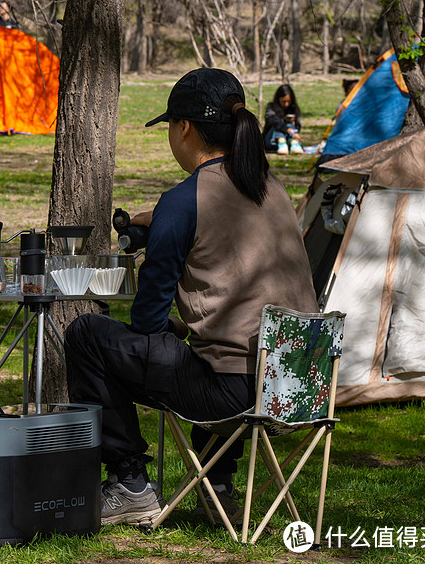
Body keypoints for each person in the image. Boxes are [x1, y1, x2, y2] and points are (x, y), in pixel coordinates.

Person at [64, 68, 317, 526]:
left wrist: (163, 226)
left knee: (87, 334)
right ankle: (218, 485)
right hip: (295, 385)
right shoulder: (272, 188)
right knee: (208, 350)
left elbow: (145, 320)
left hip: (230, 394)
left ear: (183, 128)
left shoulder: (184, 201)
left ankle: (130, 483)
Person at [263, 84, 304, 155]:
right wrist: (289, 130)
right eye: (284, 101)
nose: (286, 104)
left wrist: (294, 123)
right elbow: (274, 121)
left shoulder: (293, 108)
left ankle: (293, 144)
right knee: (279, 122)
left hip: (288, 139)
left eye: (289, 101)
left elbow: (298, 127)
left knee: (288, 123)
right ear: (278, 99)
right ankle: (282, 142)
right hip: (272, 140)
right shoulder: (271, 107)